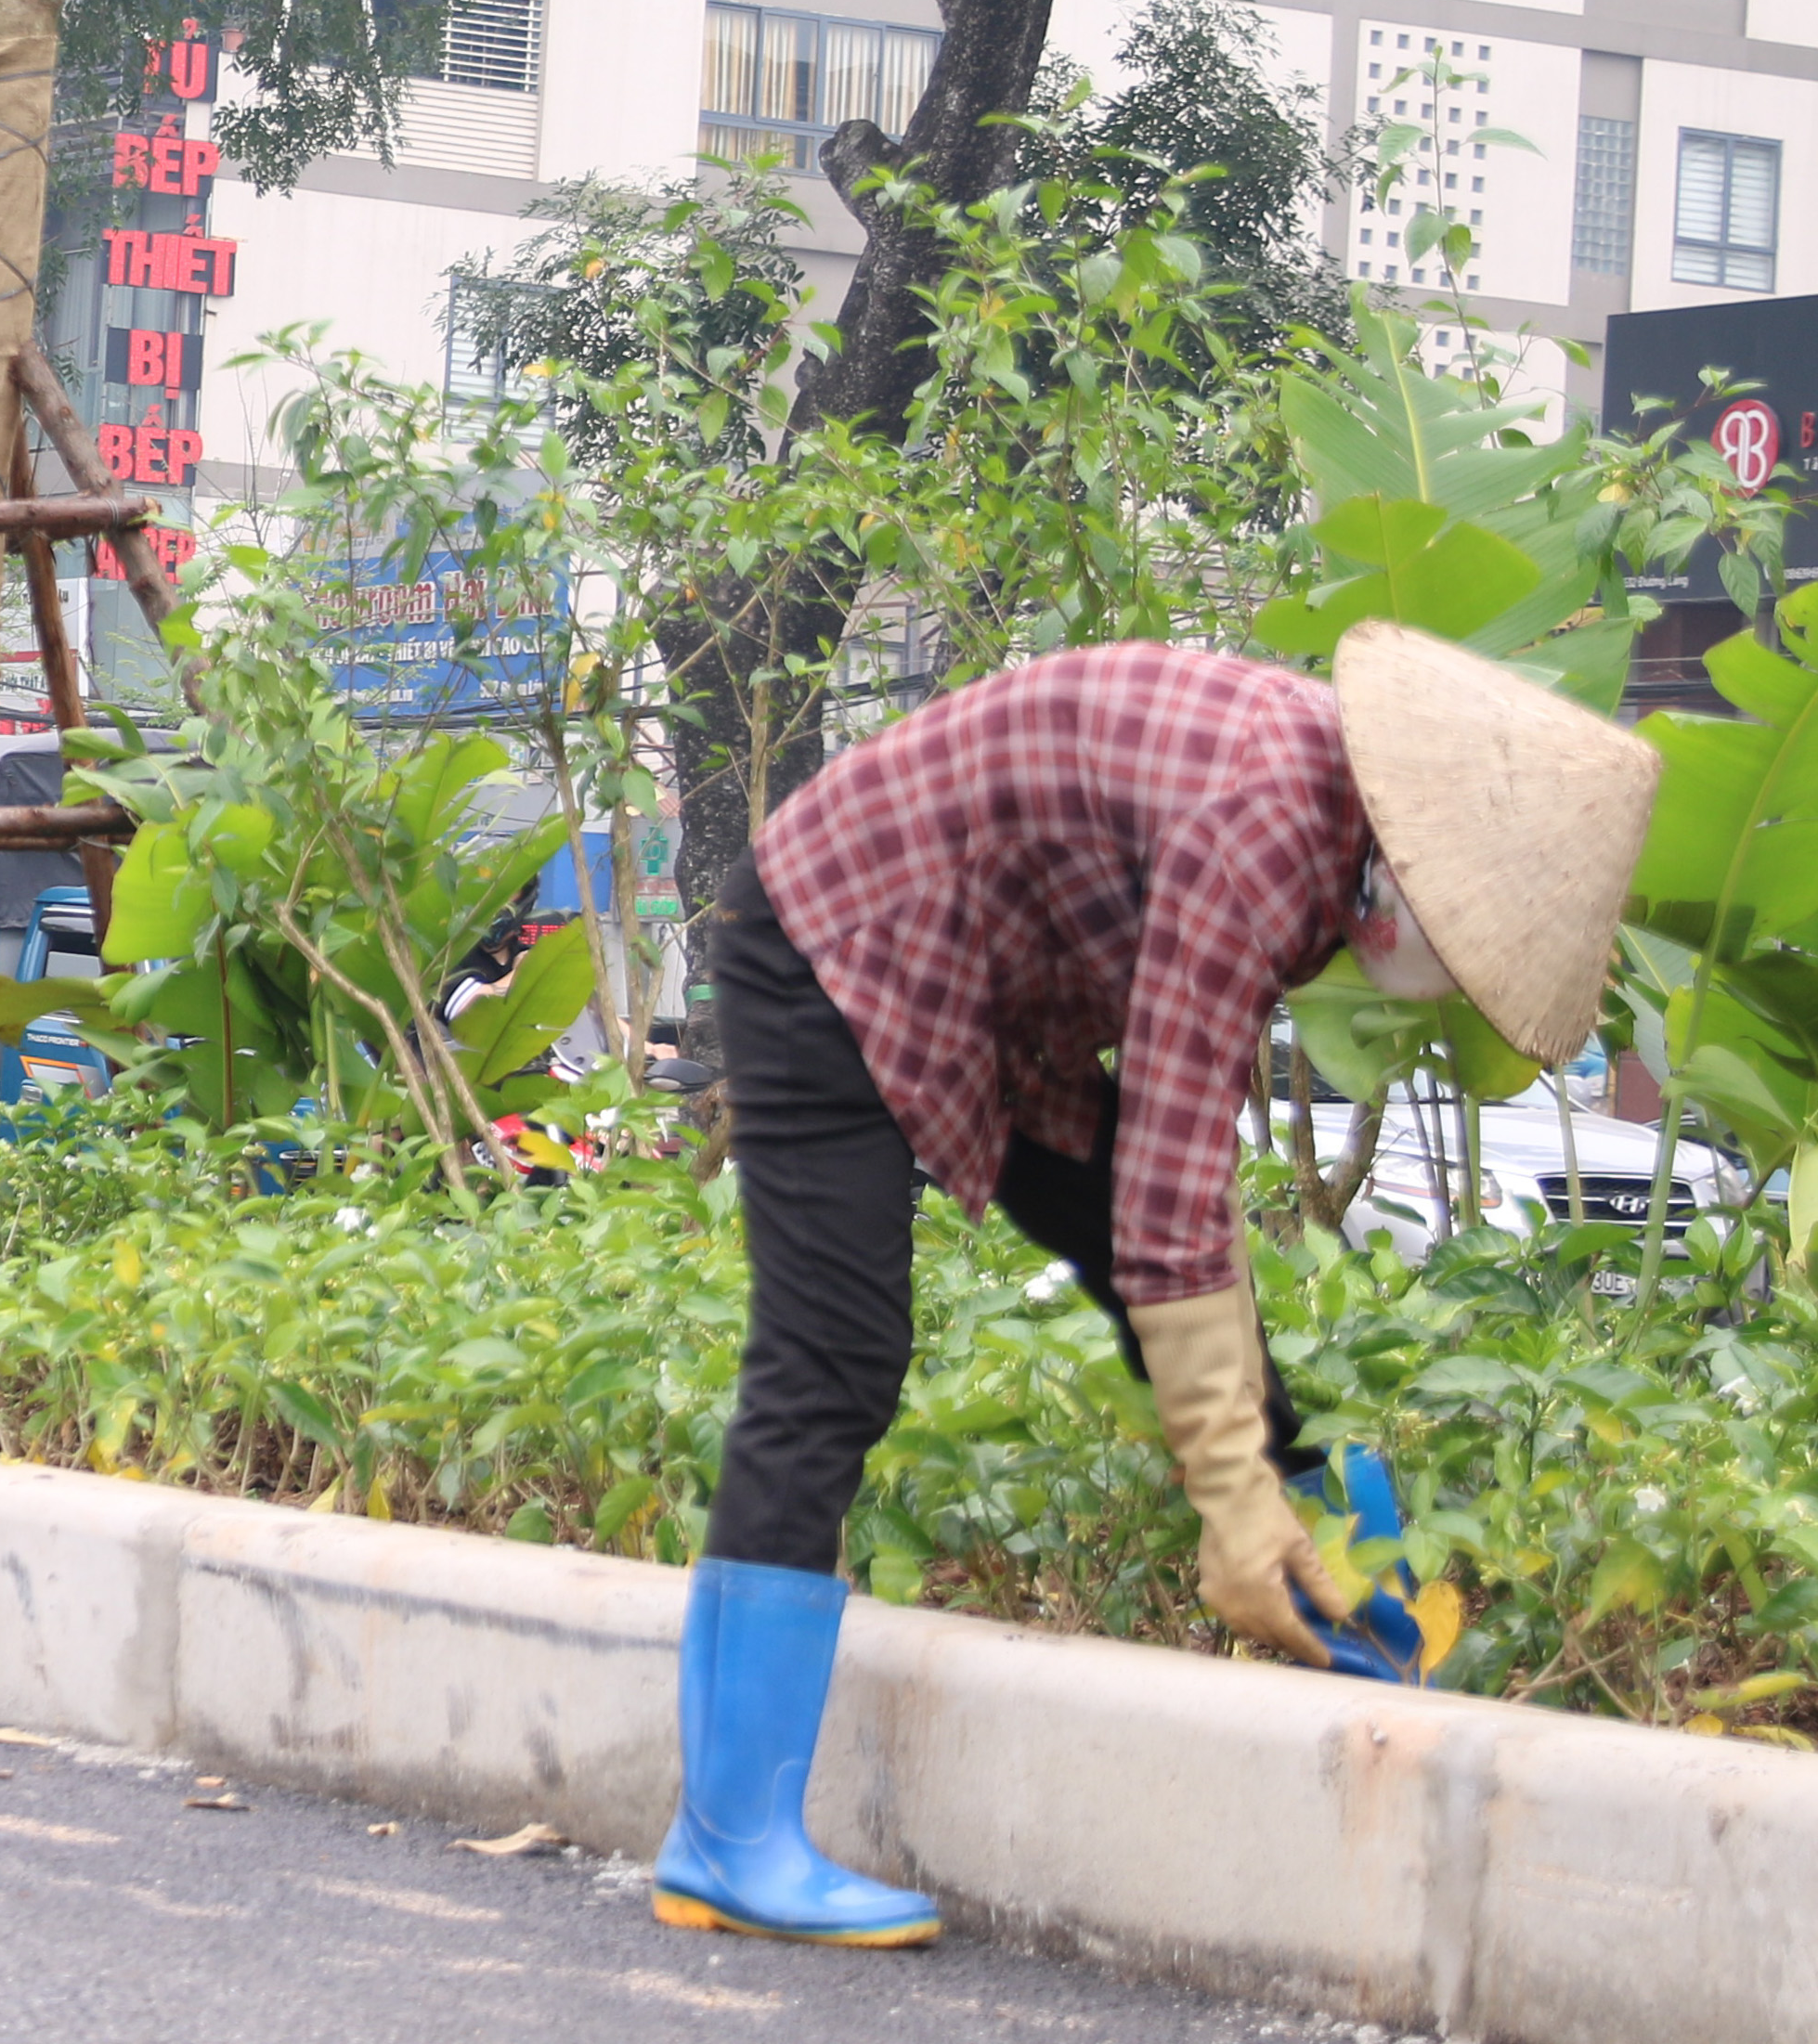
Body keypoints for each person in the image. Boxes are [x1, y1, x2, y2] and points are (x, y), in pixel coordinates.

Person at [653, 624, 1651, 1951]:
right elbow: (1177, 1178)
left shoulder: (1323, 809)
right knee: (832, 1357)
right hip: (837, 942)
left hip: (989, 994)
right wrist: (1223, 1501)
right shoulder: (1270, 825)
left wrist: (1266, 1466)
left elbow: (1168, 1222)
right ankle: (727, 1838)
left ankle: (1333, 1561)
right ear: (1416, 879)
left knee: (1146, 1257)